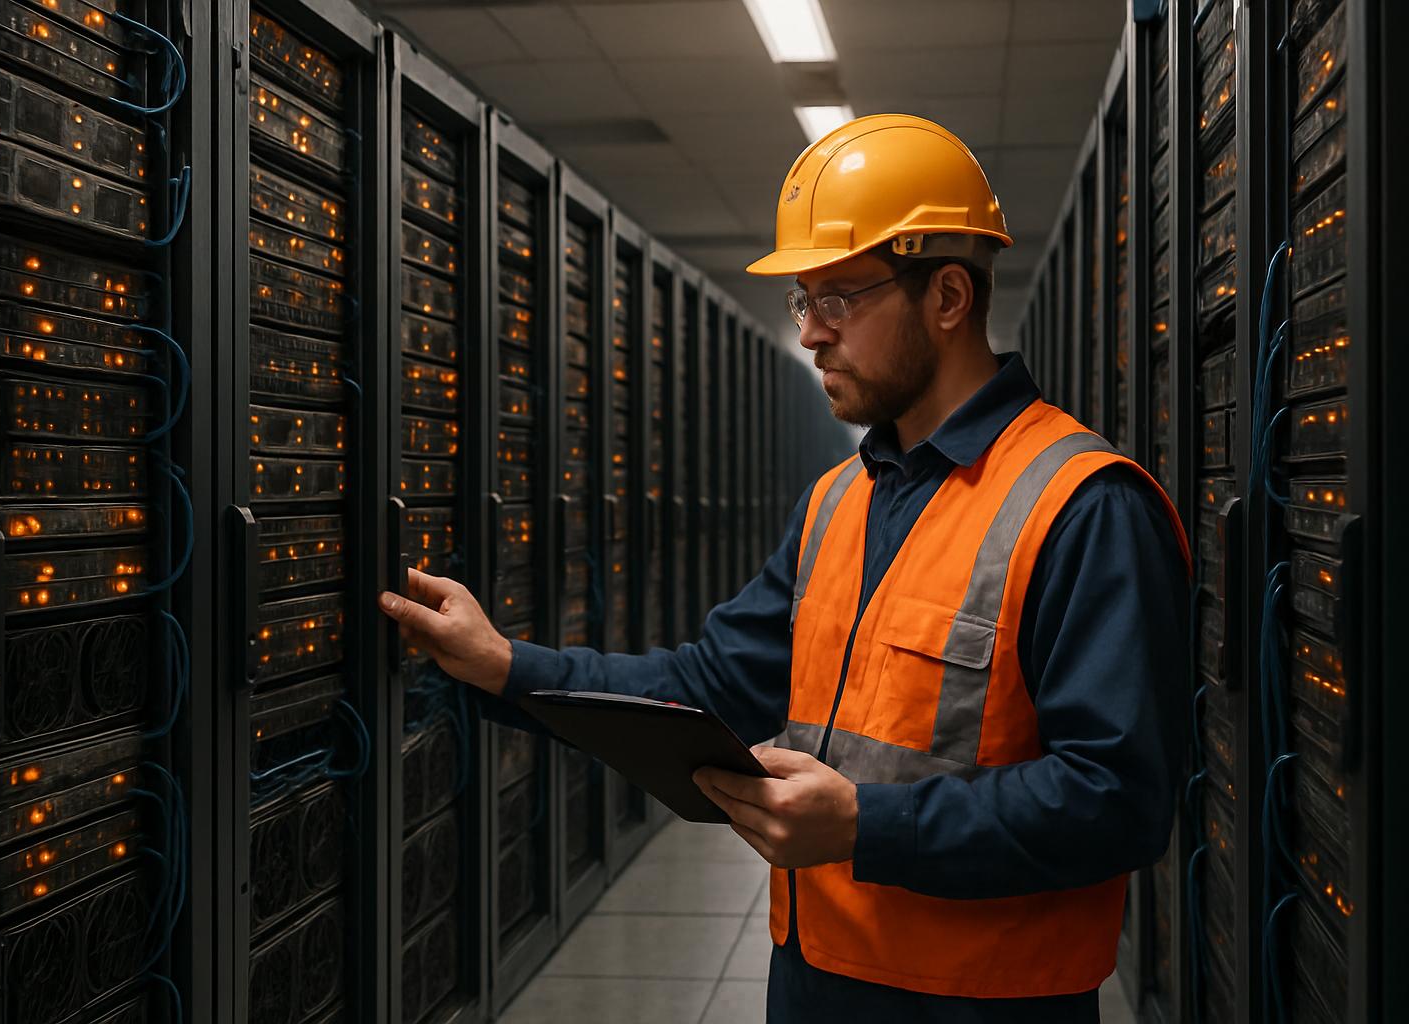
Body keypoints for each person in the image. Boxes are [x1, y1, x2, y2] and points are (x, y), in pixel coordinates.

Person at [378, 114, 1191, 1023]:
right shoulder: (839, 501)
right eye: (806, 303)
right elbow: (707, 688)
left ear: (949, 296)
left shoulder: (1082, 504)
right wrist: (504, 665)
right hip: (812, 978)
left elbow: (1120, 800)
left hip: (980, 1002)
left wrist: (865, 826)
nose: (812, 335)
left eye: (838, 299)